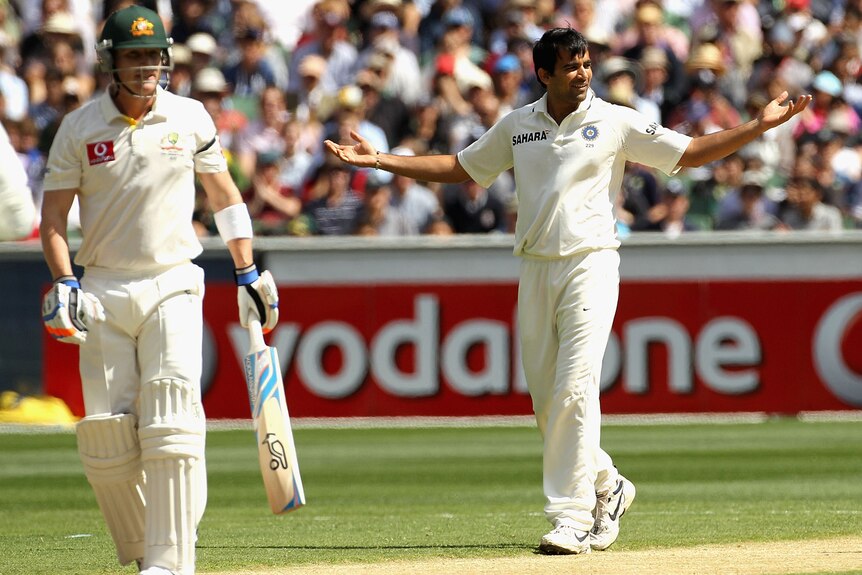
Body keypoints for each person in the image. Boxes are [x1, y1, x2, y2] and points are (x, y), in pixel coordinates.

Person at [324, 27, 810, 555]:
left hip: (591, 262)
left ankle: (570, 517)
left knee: (575, 389)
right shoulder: (519, 125)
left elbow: (689, 152)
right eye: (571, 66)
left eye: (585, 64)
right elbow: (460, 168)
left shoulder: (615, 119)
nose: (581, 74)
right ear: (544, 74)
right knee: (547, 404)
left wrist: (757, 127)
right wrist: (379, 160)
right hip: (534, 267)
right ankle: (609, 486)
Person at [38, 6, 279, 575]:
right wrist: (65, 280)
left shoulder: (190, 117)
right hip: (102, 287)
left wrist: (246, 269)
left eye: (154, 55)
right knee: (107, 437)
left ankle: (170, 563)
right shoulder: (78, 128)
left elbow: (225, 197)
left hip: (174, 280)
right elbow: (53, 220)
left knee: (171, 417)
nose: (147, 66)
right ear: (110, 63)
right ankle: (148, 553)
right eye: (135, 56)